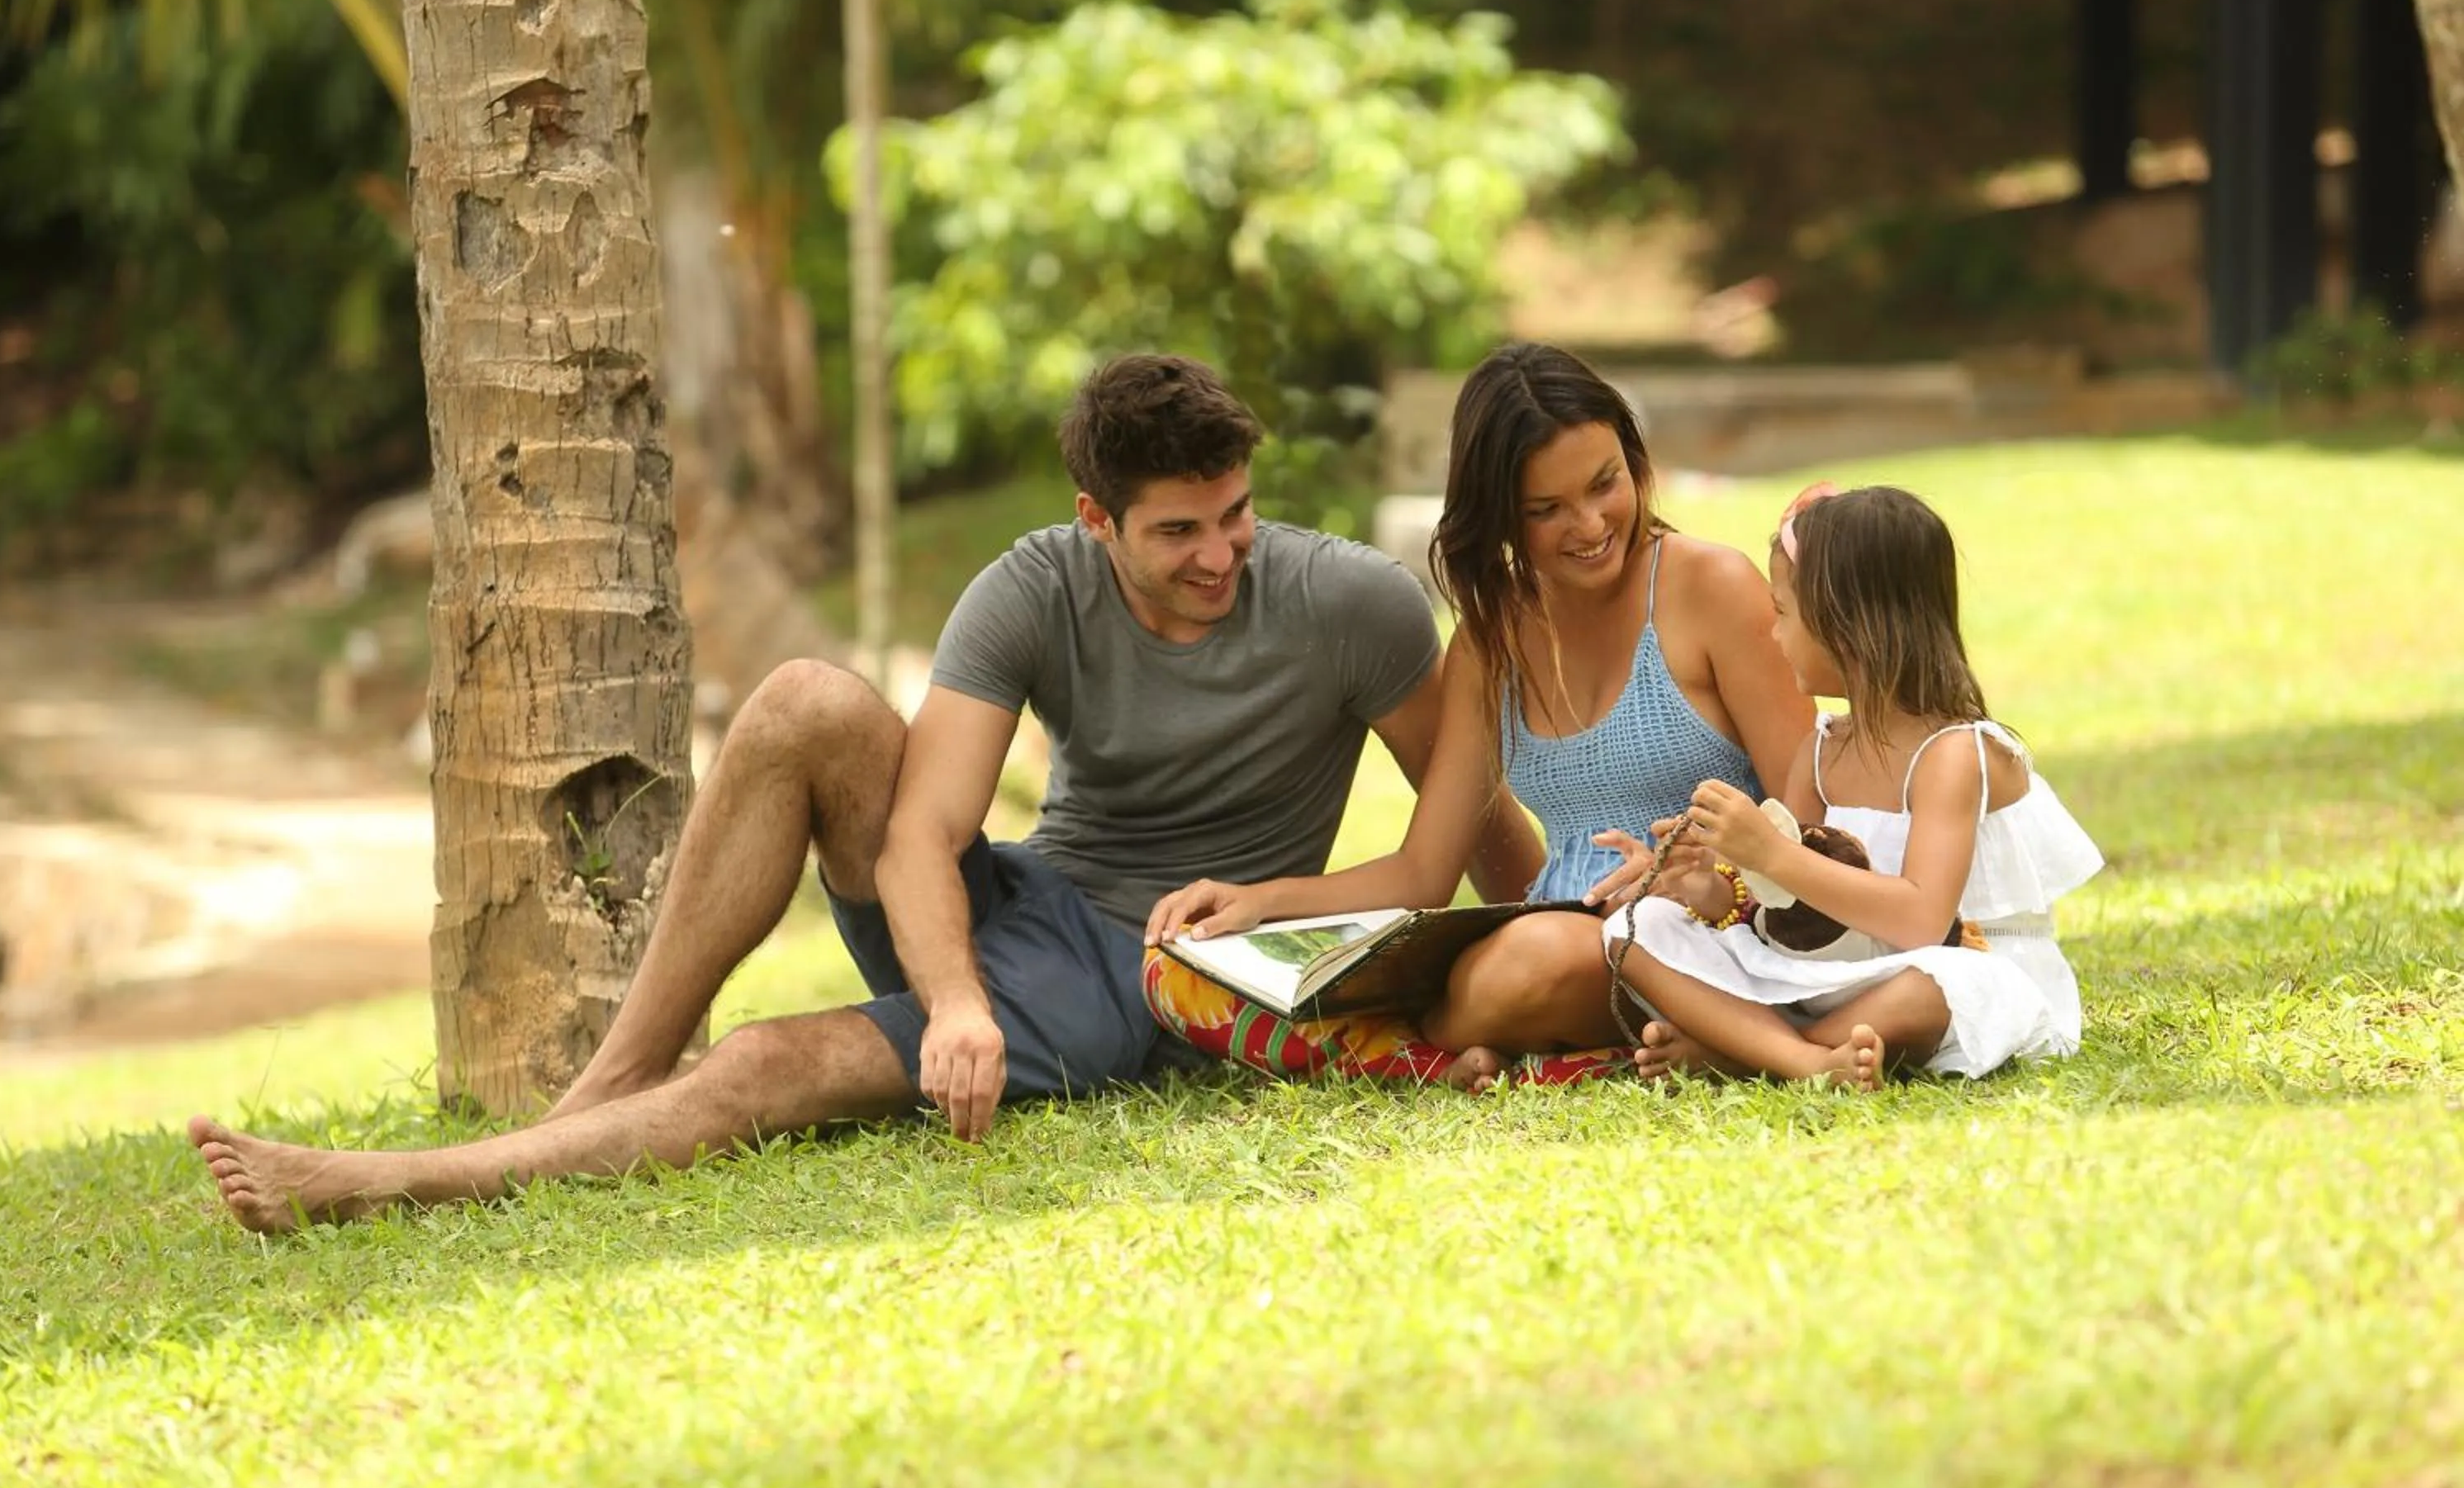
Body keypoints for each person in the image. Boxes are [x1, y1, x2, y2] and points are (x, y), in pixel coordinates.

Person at [188, 354, 1526, 1231]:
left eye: (1234, 514)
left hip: (1148, 971)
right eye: (1178, 530)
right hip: (1026, 902)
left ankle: (383, 1189)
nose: (1220, 552)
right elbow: (924, 836)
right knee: (805, 704)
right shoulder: (1033, 583)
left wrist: (1574, 937)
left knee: (770, 1062)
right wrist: (953, 1003)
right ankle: (619, 1075)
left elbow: (1466, 827)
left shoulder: (1349, 604)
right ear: (1095, 519)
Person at [1139, 341, 1811, 1079]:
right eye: (1546, 510)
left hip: (1708, 929)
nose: (1589, 526)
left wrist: (1702, 870)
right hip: (1556, 935)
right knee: (1190, 974)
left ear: (1633, 460)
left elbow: (1813, 814)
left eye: (1604, 484)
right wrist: (1261, 903)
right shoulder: (1490, 641)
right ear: (1497, 517)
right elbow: (1424, 872)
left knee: (1519, 968)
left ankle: (1438, 1052)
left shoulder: (1710, 587)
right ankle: (1537, 1056)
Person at [1608, 483, 2104, 1089]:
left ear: (1846, 625)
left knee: (1929, 989)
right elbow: (1780, 909)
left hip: (1956, 970)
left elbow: (1922, 920)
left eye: (1783, 614)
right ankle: (1801, 1057)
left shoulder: (1953, 755)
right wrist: (1706, 887)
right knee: (1635, 929)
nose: (1772, 634)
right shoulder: (1821, 747)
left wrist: (1772, 852)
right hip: (1838, 974)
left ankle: (1742, 1054)